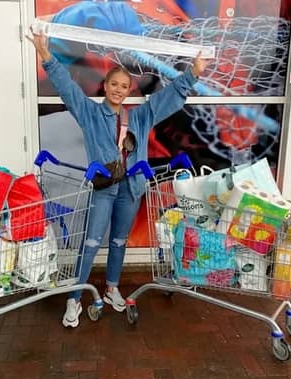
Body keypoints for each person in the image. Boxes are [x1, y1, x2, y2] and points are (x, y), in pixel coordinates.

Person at [28, 28, 210, 328]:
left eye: (124, 86)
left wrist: (193, 73)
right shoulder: (89, 113)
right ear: (106, 87)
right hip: (103, 189)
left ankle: (112, 288)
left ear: (128, 91)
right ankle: (74, 299)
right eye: (113, 84)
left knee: (118, 241)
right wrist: (45, 54)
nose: (118, 89)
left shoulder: (139, 116)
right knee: (90, 243)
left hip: (131, 188)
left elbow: (168, 98)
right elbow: (67, 88)